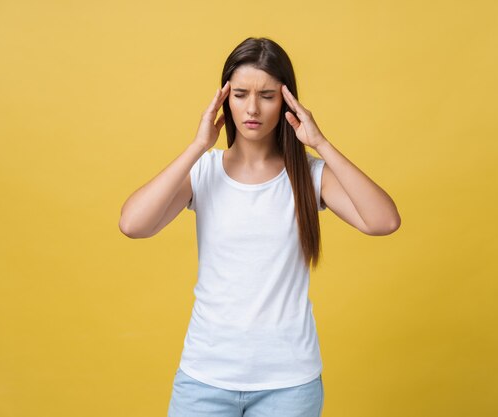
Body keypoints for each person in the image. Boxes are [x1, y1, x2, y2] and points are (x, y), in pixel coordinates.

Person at [119, 36, 401, 417]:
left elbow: (383, 221)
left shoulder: (310, 175)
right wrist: (198, 146)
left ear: (287, 101)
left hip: (289, 384)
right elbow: (133, 225)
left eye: (267, 95)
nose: (252, 108)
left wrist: (319, 142)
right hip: (205, 377)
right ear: (224, 99)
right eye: (240, 94)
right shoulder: (203, 172)